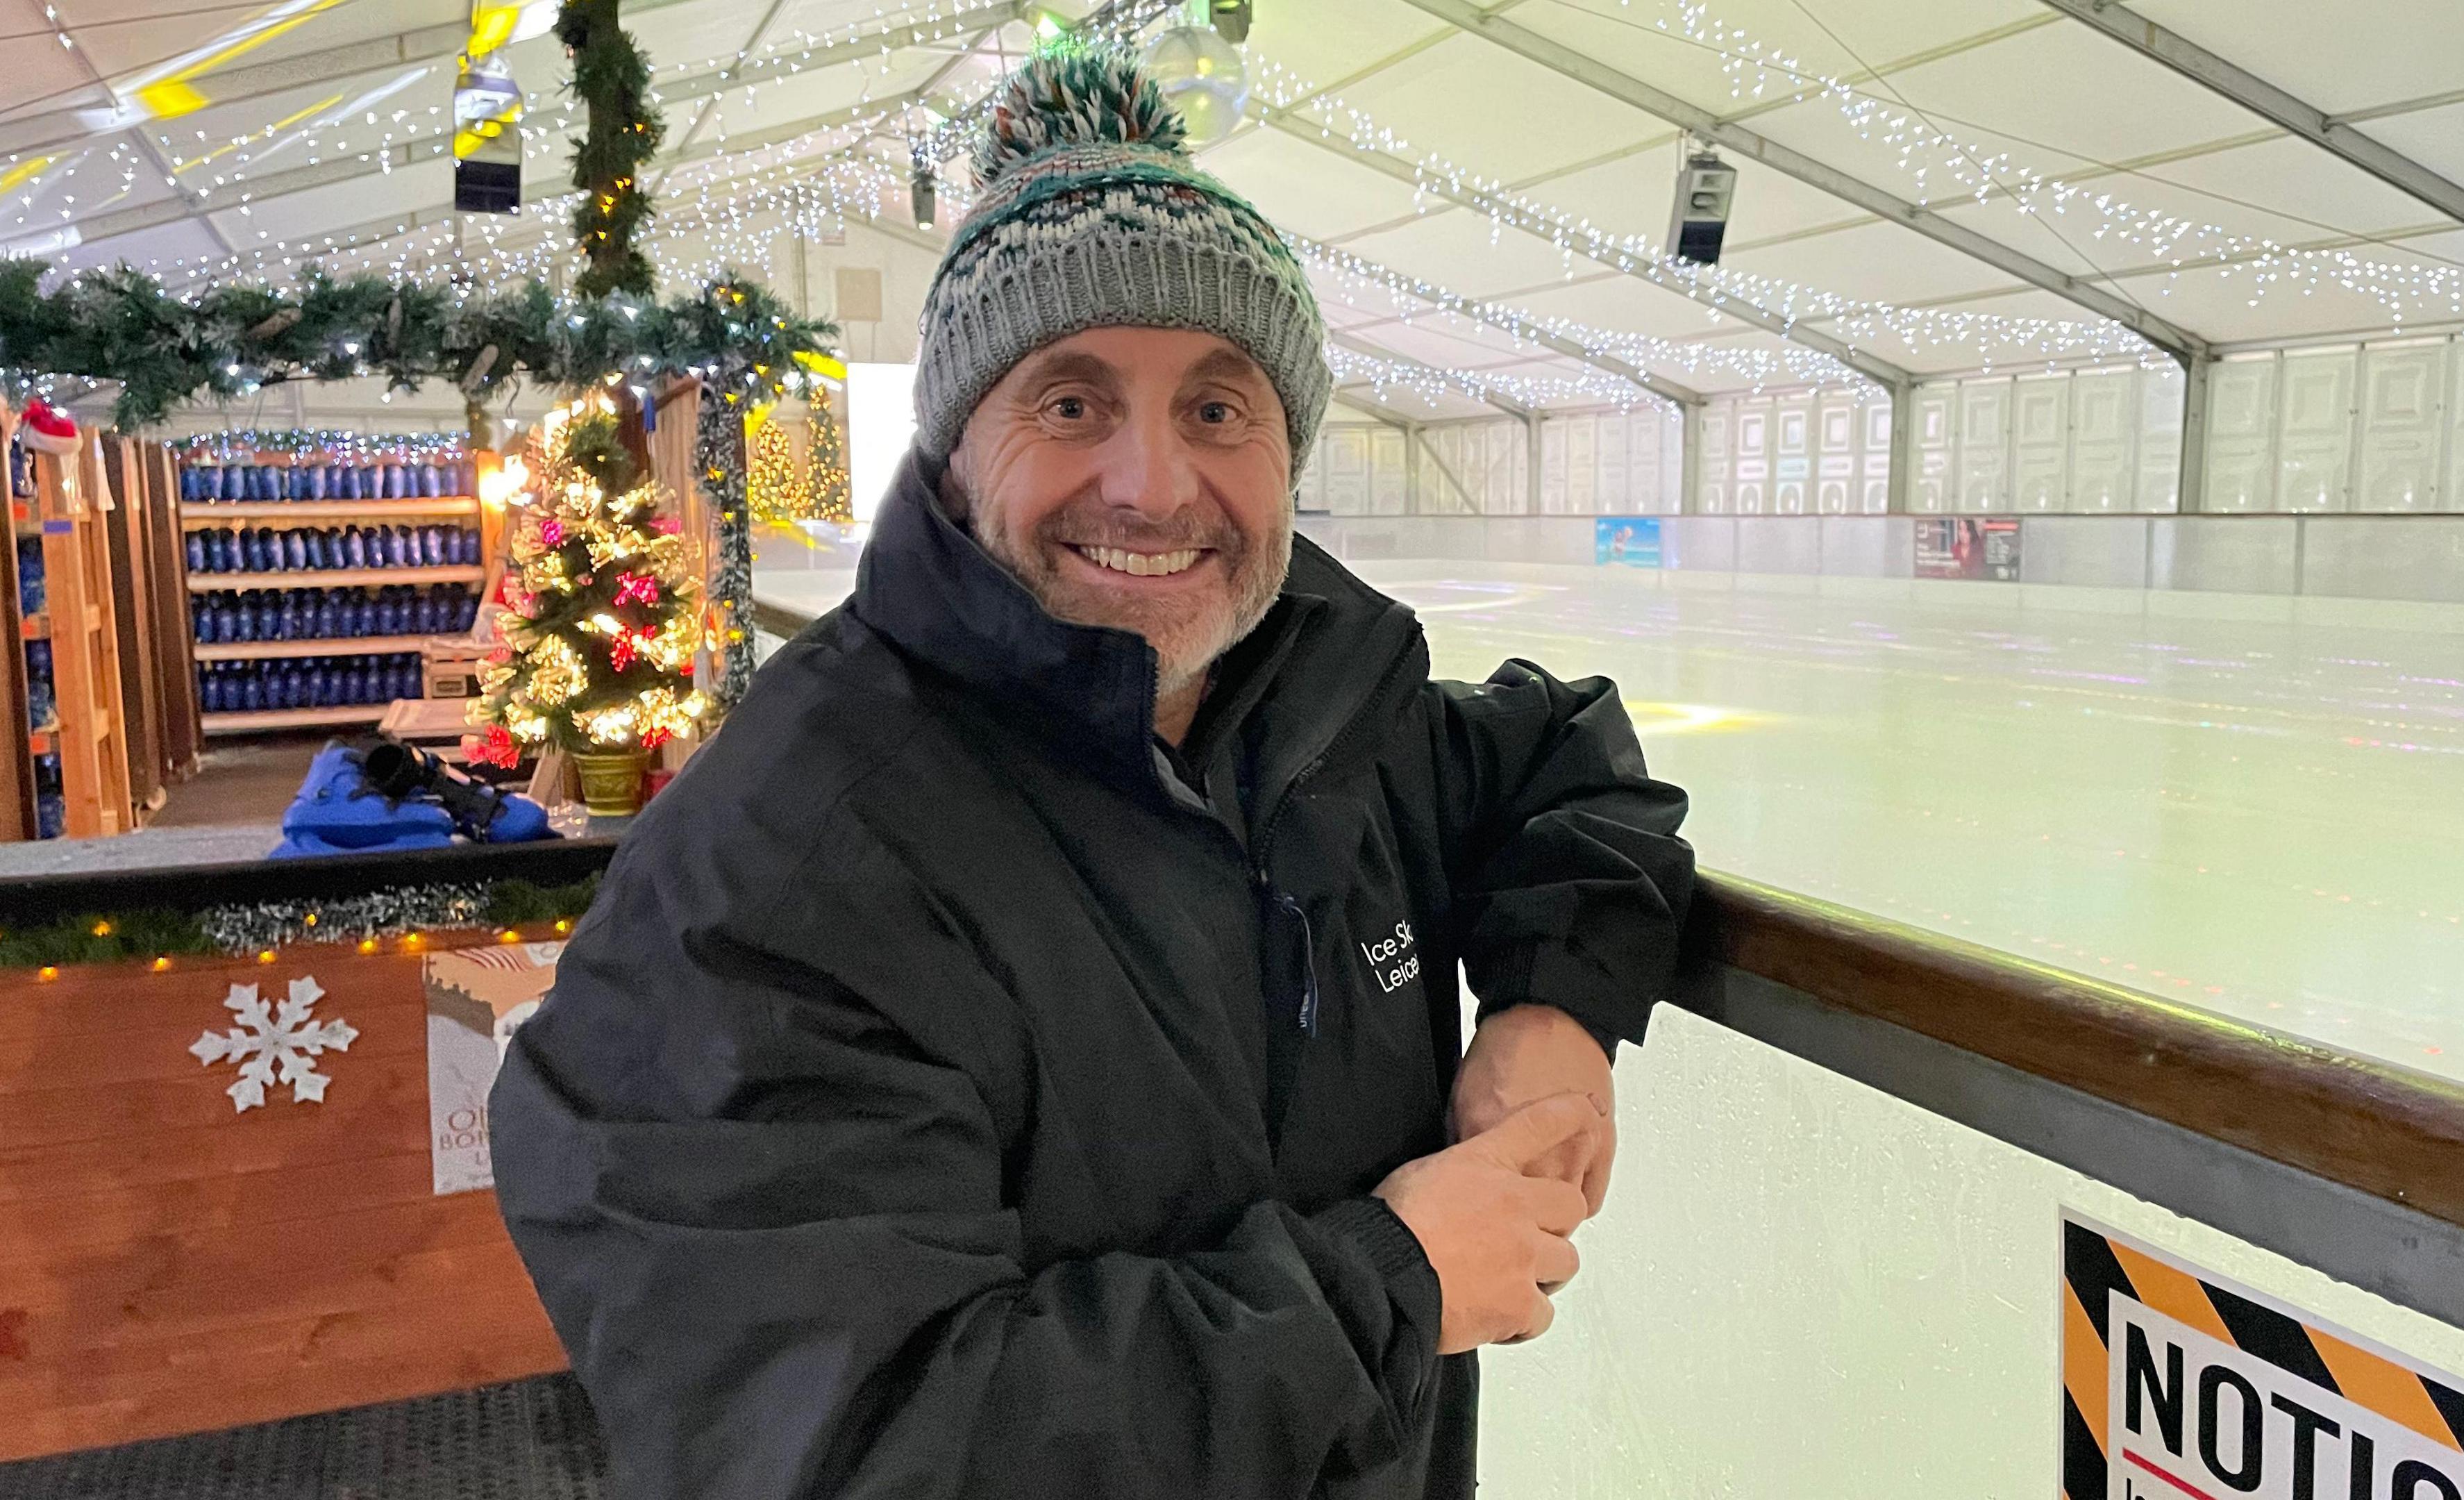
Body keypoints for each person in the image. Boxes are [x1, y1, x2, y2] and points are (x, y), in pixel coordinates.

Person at [489, 40, 1694, 1500]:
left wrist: (1553, 1004)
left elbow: (1567, 758)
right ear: (951, 453)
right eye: (1068, 403)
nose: (1153, 484)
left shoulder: (1323, 715)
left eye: (1217, 407)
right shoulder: (781, 877)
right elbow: (860, 1449)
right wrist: (1395, 1283)